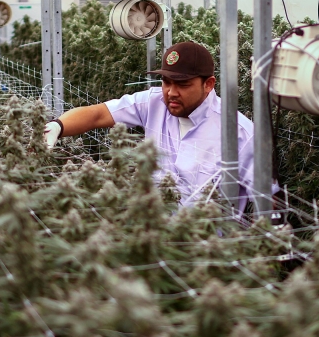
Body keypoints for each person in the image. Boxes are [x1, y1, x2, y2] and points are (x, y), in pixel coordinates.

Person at [43, 41, 255, 211]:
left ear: (208, 84)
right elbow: (98, 114)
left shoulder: (240, 134)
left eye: (183, 84)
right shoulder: (154, 103)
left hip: (209, 250)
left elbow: (267, 199)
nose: (171, 92)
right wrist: (57, 126)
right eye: (166, 82)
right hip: (152, 236)